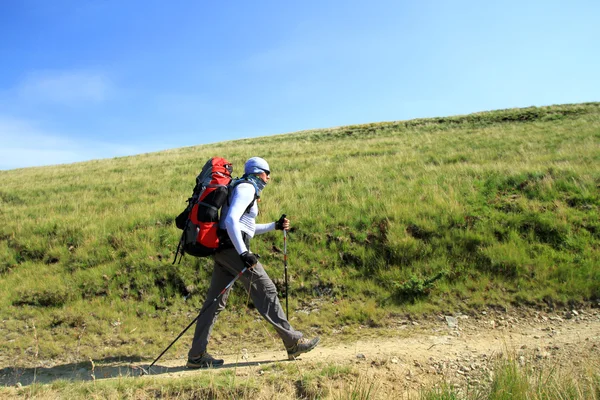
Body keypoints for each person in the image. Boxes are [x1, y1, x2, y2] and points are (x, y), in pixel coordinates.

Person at [187, 157, 320, 368]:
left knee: (214, 303)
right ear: (259, 172)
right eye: (268, 173)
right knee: (266, 290)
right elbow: (231, 220)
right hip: (233, 250)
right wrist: (243, 253)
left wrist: (274, 226)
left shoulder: (243, 187)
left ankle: (196, 356)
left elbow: (245, 226)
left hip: (224, 250)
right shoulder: (247, 188)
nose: (269, 177)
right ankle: (293, 342)